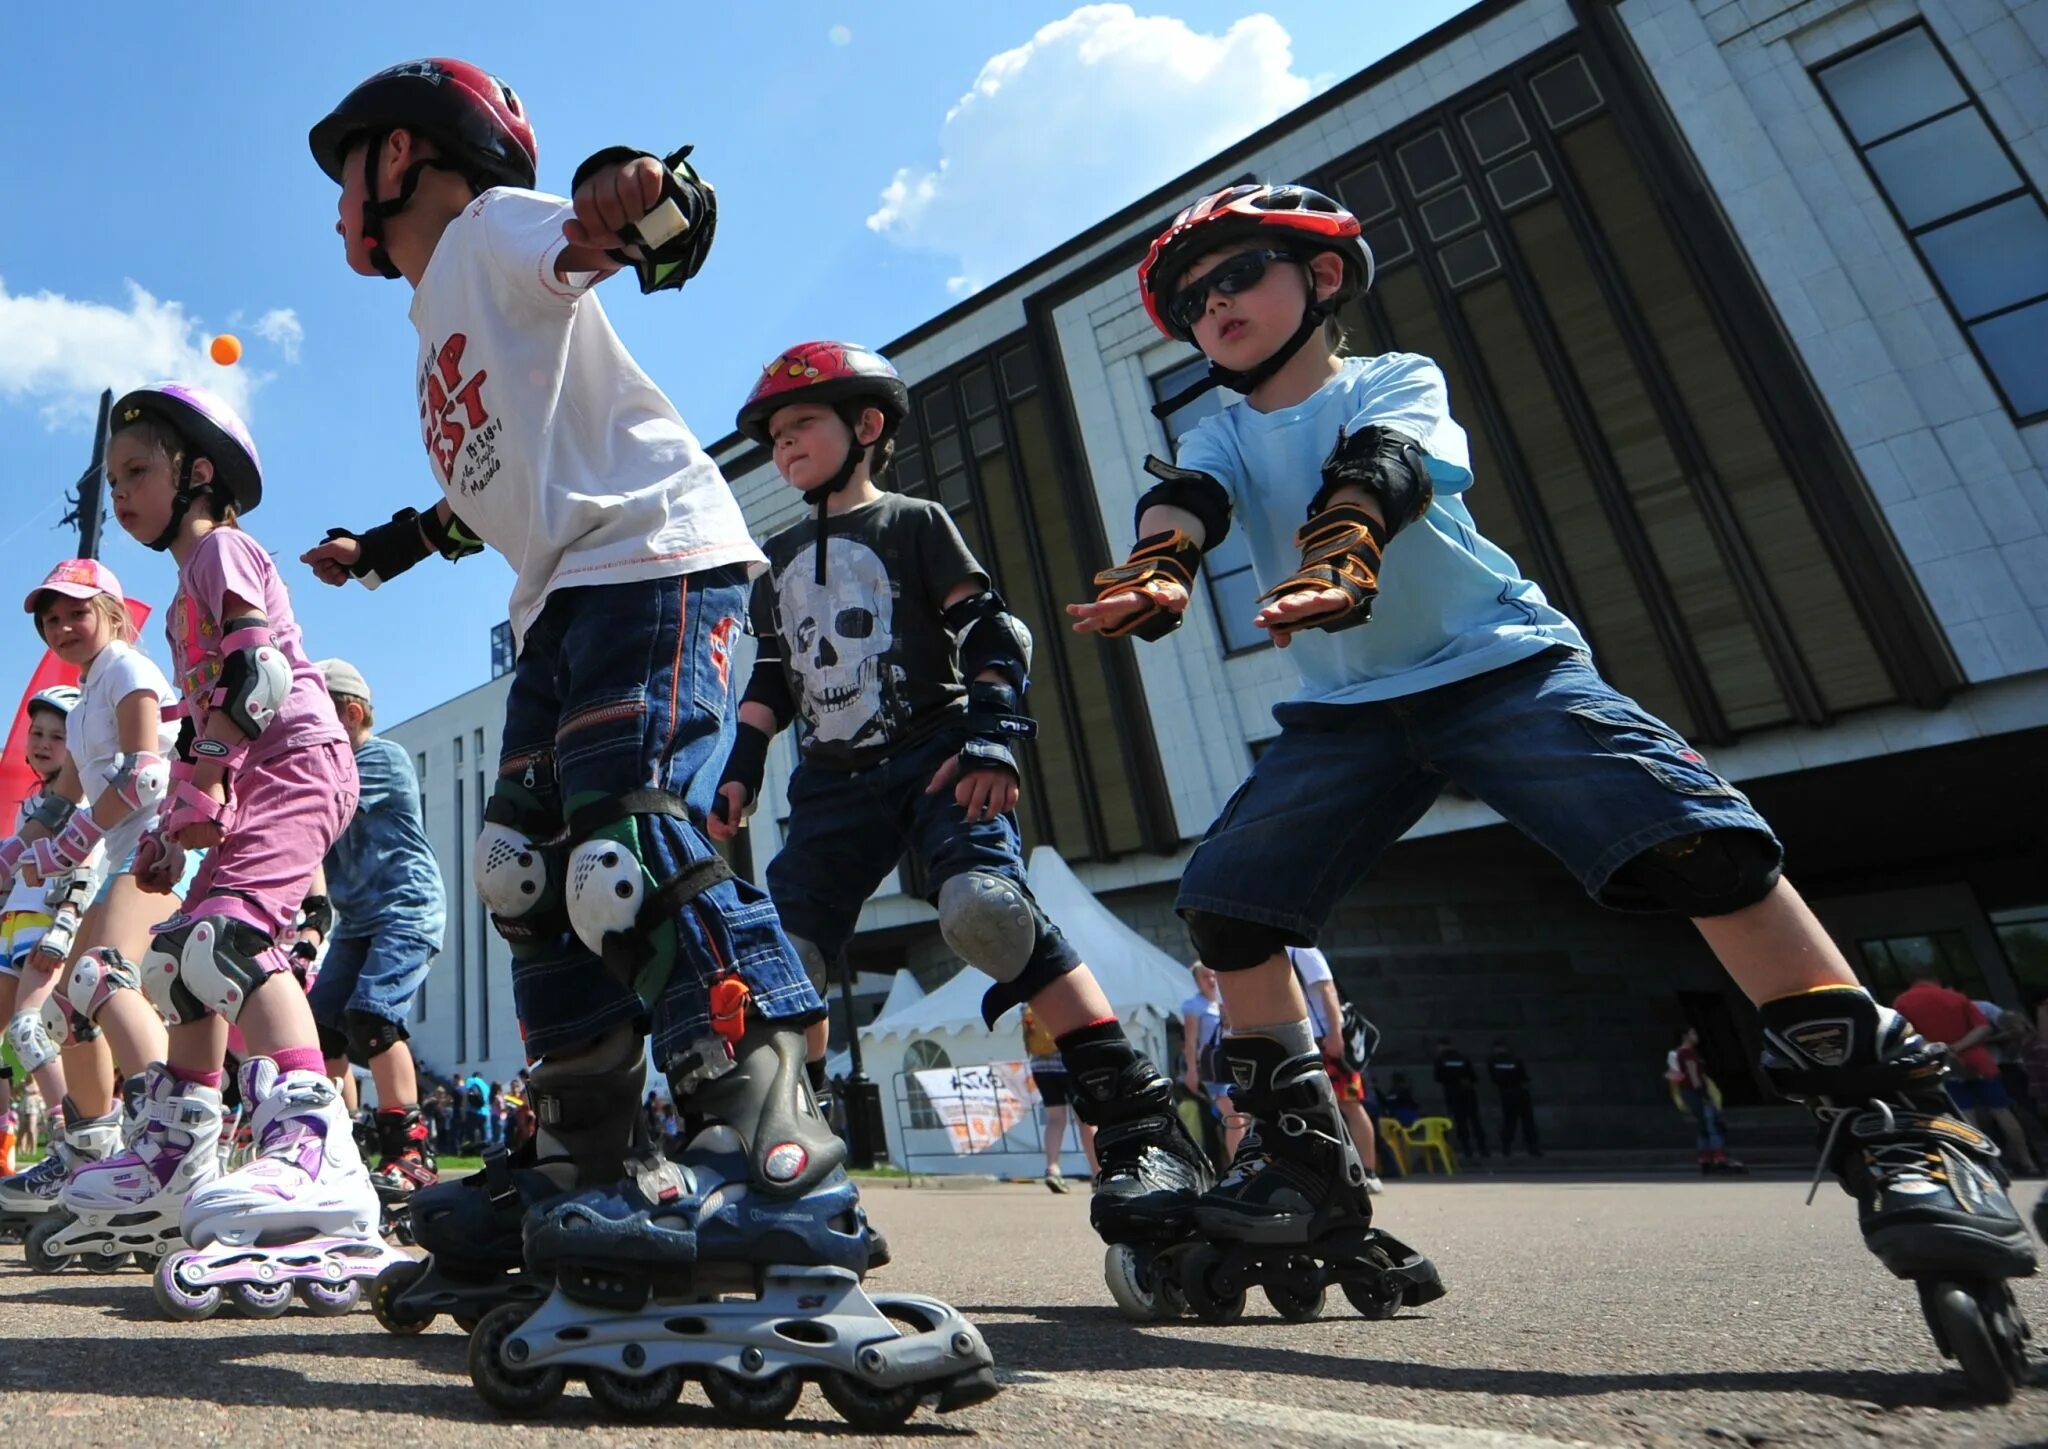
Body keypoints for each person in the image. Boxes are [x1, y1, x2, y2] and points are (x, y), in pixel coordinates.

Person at [1069, 179, 2031, 1364]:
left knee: (1696, 841)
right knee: (1226, 905)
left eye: (1237, 275)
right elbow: (1190, 498)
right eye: (1191, 296)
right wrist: (1157, 571)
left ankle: (1905, 1129)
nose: (1213, 304)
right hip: (1348, 711)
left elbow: (1385, 464)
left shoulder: (1389, 380)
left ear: (1319, 279)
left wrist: (1346, 549)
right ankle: (1295, 1160)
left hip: (1497, 667)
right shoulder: (1216, 430)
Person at [301, 62, 988, 1411]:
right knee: (519, 869)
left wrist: (643, 192)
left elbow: (624, 237)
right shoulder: (441, 312)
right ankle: (580, 1158)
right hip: (561, 595)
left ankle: (769, 1152)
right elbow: (495, 474)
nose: (335, 212)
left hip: (657, 567)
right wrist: (387, 547)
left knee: (626, 845)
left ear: (401, 159)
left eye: (344, 178)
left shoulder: (494, 231)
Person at [710, 341, 1208, 1263]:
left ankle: (1140, 1123)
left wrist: (992, 740)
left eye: (801, 427)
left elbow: (991, 629)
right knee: (781, 957)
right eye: (773, 439)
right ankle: (780, 1152)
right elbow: (772, 678)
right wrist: (739, 767)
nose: (784, 450)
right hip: (831, 785)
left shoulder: (914, 521)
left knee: (982, 909)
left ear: (866, 427)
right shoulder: (773, 559)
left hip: (939, 756)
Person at [73, 384, 404, 1311]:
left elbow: (256, 670)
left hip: (294, 759)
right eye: (115, 478)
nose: (123, 492)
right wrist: (176, 832)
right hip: (255, 774)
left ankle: (315, 1150)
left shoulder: (221, 548)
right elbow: (199, 724)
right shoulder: (183, 595)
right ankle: (181, 1151)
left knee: (226, 942)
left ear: (197, 472)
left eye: (137, 471)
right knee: (178, 965)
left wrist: (212, 775)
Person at [0, 562, 192, 1264]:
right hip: (112, 855)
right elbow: (60, 797)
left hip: (157, 847)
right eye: (50, 619)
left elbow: (147, 770)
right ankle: (95, 1155)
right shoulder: (85, 695)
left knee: (102, 976)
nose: (61, 628)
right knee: (64, 1012)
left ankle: (172, 1141)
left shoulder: (128, 669)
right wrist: (16, 847)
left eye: (74, 612)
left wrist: (76, 838)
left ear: (108, 609)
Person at [298, 657, 446, 1223]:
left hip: (406, 910)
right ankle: (335, 1142)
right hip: (358, 922)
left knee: (372, 1017)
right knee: (321, 1027)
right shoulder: (324, 772)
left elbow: (319, 815)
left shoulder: (380, 758)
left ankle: (411, 1151)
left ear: (351, 715)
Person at [1892, 970, 2039, 1176]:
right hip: (1979, 1061)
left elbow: (1905, 1036)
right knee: (2002, 1112)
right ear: (1936, 980)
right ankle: (2027, 1161)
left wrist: (1944, 1050)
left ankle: (1986, 1164)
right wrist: (1959, 1046)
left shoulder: (1902, 1002)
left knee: (1966, 1115)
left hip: (1943, 1065)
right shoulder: (1958, 998)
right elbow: (1983, 1028)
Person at [1287, 946, 1381, 1191]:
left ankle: (1369, 1173)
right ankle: (1324, 1173)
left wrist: (1335, 1034)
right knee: (1307, 1108)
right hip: (1303, 1040)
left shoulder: (1301, 950)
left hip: (1326, 1038)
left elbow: (1328, 989)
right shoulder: (1275, 952)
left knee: (1350, 1103)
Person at [1021, 1004, 1094, 1191]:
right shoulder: (1062, 992)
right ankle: (1098, 1172)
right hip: (1069, 1063)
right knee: (1086, 1120)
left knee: (1055, 1119)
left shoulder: (1027, 1001)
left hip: (1040, 1067)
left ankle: (1052, 1168)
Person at [1181, 963, 1241, 1161]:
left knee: (1242, 1118)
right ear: (1197, 981)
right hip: (1212, 1069)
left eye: (1213, 975)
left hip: (1230, 1065)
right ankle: (1237, 1164)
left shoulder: (1224, 1002)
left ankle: (1238, 1161)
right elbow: (1190, 1041)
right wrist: (1191, 1070)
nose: (1211, 980)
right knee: (1235, 1118)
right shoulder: (1194, 1006)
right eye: (1205, 977)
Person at [1671, 1026, 1744, 1175]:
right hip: (1696, 1092)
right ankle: (1719, 1159)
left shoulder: (1678, 1054)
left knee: (1703, 1127)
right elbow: (1693, 1074)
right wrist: (1702, 1093)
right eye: (1693, 1033)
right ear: (1685, 1036)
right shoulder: (1687, 1053)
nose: (1696, 1036)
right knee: (1713, 1126)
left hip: (1688, 1093)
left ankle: (1705, 1159)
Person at [1433, 1038, 1486, 1161]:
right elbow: (1473, 1077)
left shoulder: (1440, 1060)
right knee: (1475, 1122)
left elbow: (1437, 1077)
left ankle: (1467, 1150)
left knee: (1461, 1123)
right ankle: (1483, 1149)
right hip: (1468, 1094)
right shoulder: (1463, 1058)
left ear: (1440, 1047)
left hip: (1453, 1095)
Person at [1487, 1039, 1540, 1159]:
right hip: (1516, 1091)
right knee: (1521, 1121)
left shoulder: (1494, 1061)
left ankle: (1510, 1147)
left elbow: (1495, 1078)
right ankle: (1529, 1148)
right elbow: (1523, 1076)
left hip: (1509, 1092)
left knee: (1513, 1121)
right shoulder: (1513, 1060)